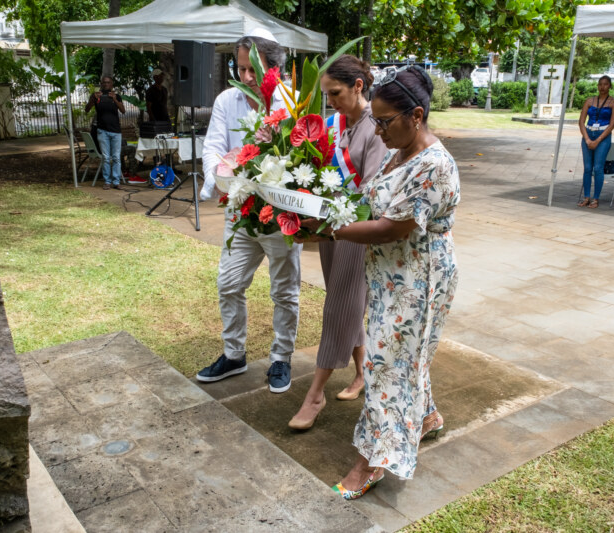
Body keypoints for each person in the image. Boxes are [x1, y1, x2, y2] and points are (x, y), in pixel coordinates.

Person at [297, 65, 459, 500]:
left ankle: (371, 461)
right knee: (405, 358)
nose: (378, 131)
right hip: (391, 275)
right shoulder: (398, 152)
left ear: (417, 116)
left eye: (385, 122)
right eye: (376, 121)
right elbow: (370, 203)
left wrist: (330, 231)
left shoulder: (433, 165)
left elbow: (390, 228)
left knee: (385, 365)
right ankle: (426, 417)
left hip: (418, 282)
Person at [196, 29, 300, 393]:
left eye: (253, 69)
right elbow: (213, 145)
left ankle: (281, 358)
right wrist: (219, 176)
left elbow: (302, 155)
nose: (246, 76)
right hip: (240, 211)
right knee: (228, 284)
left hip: (279, 215)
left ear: (275, 68)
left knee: (284, 291)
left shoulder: (291, 101)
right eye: (241, 69)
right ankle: (234, 355)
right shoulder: (227, 100)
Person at [287, 55, 387, 430]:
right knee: (346, 301)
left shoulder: (377, 128)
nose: (330, 101)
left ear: (358, 86)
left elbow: (373, 190)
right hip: (329, 227)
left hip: (358, 230)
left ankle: (315, 394)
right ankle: (361, 374)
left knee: (338, 306)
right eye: (327, 94)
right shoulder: (333, 125)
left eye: (336, 93)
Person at [577, 75, 614, 209]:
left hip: (603, 135)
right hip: (588, 133)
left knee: (598, 168)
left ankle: (595, 198)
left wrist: (598, 140)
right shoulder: (590, 101)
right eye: (600, 84)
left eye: (605, 84)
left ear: (610, 86)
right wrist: (587, 138)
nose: (602, 87)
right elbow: (581, 121)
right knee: (587, 168)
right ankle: (586, 197)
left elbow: (612, 124)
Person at [85, 75, 125, 190]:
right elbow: (87, 109)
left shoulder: (116, 96)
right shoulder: (96, 96)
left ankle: (116, 181)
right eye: (104, 82)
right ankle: (107, 181)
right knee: (106, 157)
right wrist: (93, 99)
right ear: (101, 84)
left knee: (116, 157)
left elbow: (123, 110)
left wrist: (115, 99)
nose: (106, 84)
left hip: (116, 131)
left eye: (108, 82)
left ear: (112, 84)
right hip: (102, 131)